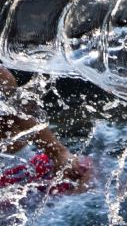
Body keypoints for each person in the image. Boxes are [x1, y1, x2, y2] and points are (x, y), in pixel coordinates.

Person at [0, 67, 92, 212]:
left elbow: (17, 109)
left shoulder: (1, 75)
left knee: (83, 172)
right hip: (12, 176)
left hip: (18, 165)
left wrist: (58, 153)